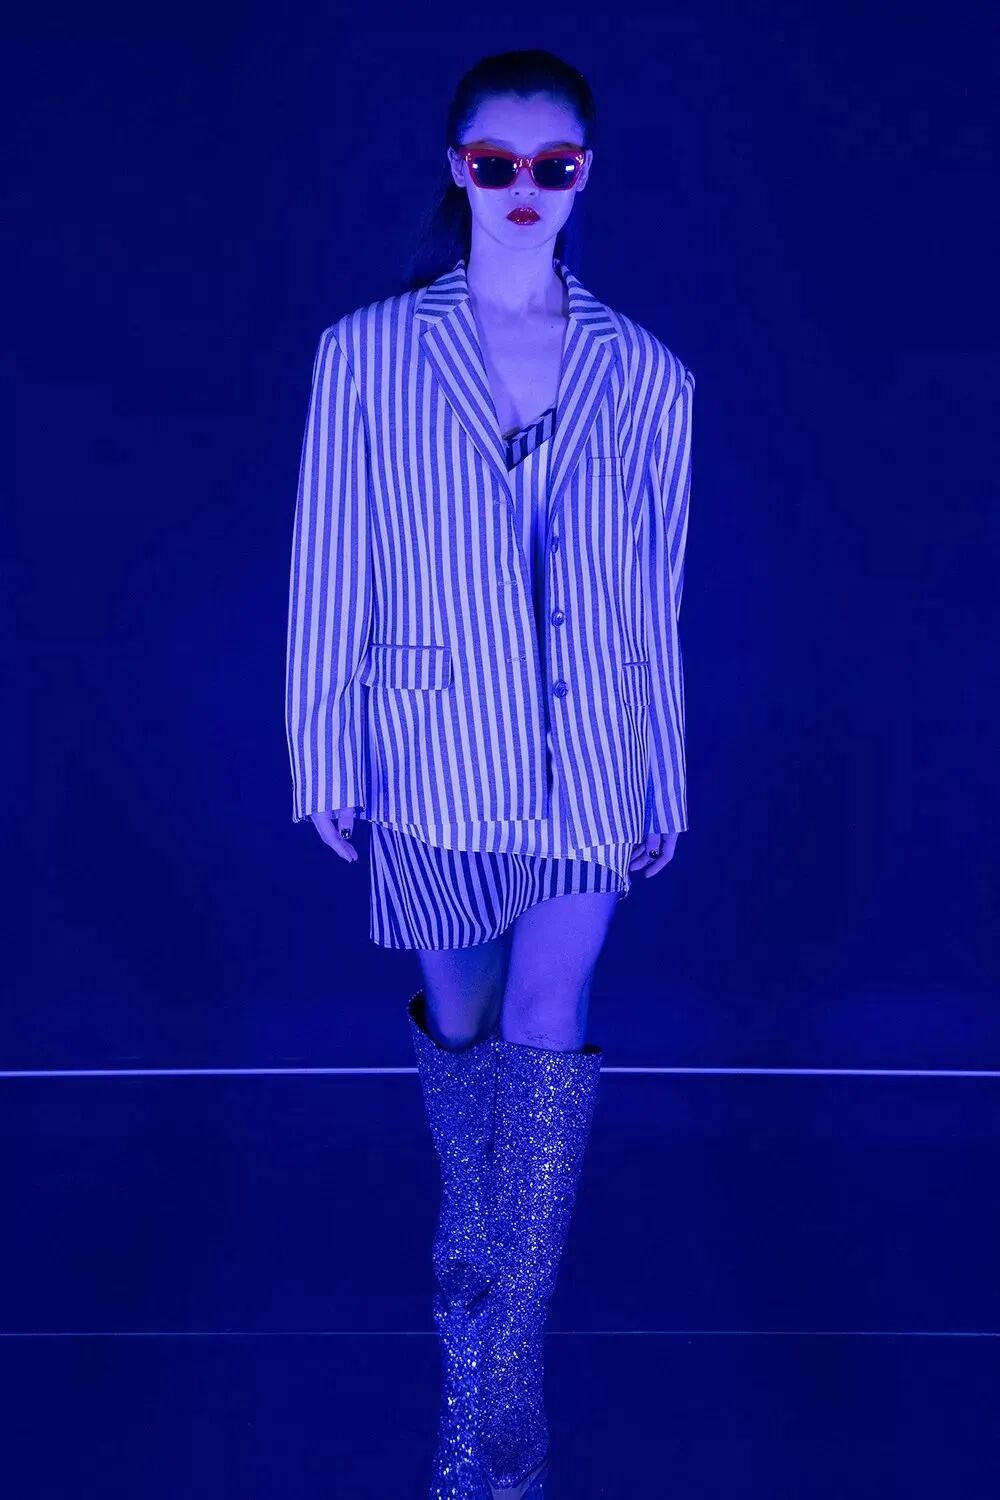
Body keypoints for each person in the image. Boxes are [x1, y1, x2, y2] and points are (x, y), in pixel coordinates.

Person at [284, 47, 693, 1500]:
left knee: (545, 1023)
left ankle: (489, 1433)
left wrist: (664, 774)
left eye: (554, 165)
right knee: (464, 1041)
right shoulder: (368, 355)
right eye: (496, 162)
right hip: (432, 754)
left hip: (591, 751)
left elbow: (656, 592)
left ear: (587, 175)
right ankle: (478, 1305)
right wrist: (324, 749)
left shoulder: (650, 375)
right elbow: (332, 557)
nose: (524, 188)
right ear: (456, 167)